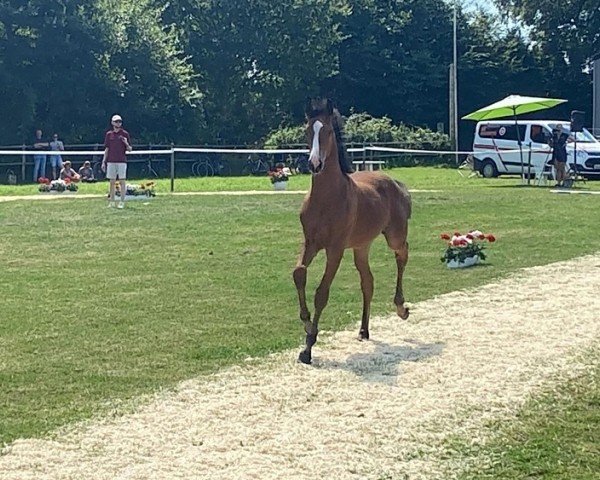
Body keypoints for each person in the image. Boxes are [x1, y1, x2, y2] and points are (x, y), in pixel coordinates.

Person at [101, 114, 132, 209]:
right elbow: (107, 149)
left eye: (120, 121)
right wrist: (104, 161)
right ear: (112, 123)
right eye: (116, 121)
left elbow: (130, 149)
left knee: (122, 181)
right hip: (111, 161)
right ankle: (112, 201)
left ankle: (122, 201)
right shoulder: (109, 134)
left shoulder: (125, 134)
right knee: (112, 181)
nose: (118, 123)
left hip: (121, 161)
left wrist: (126, 143)